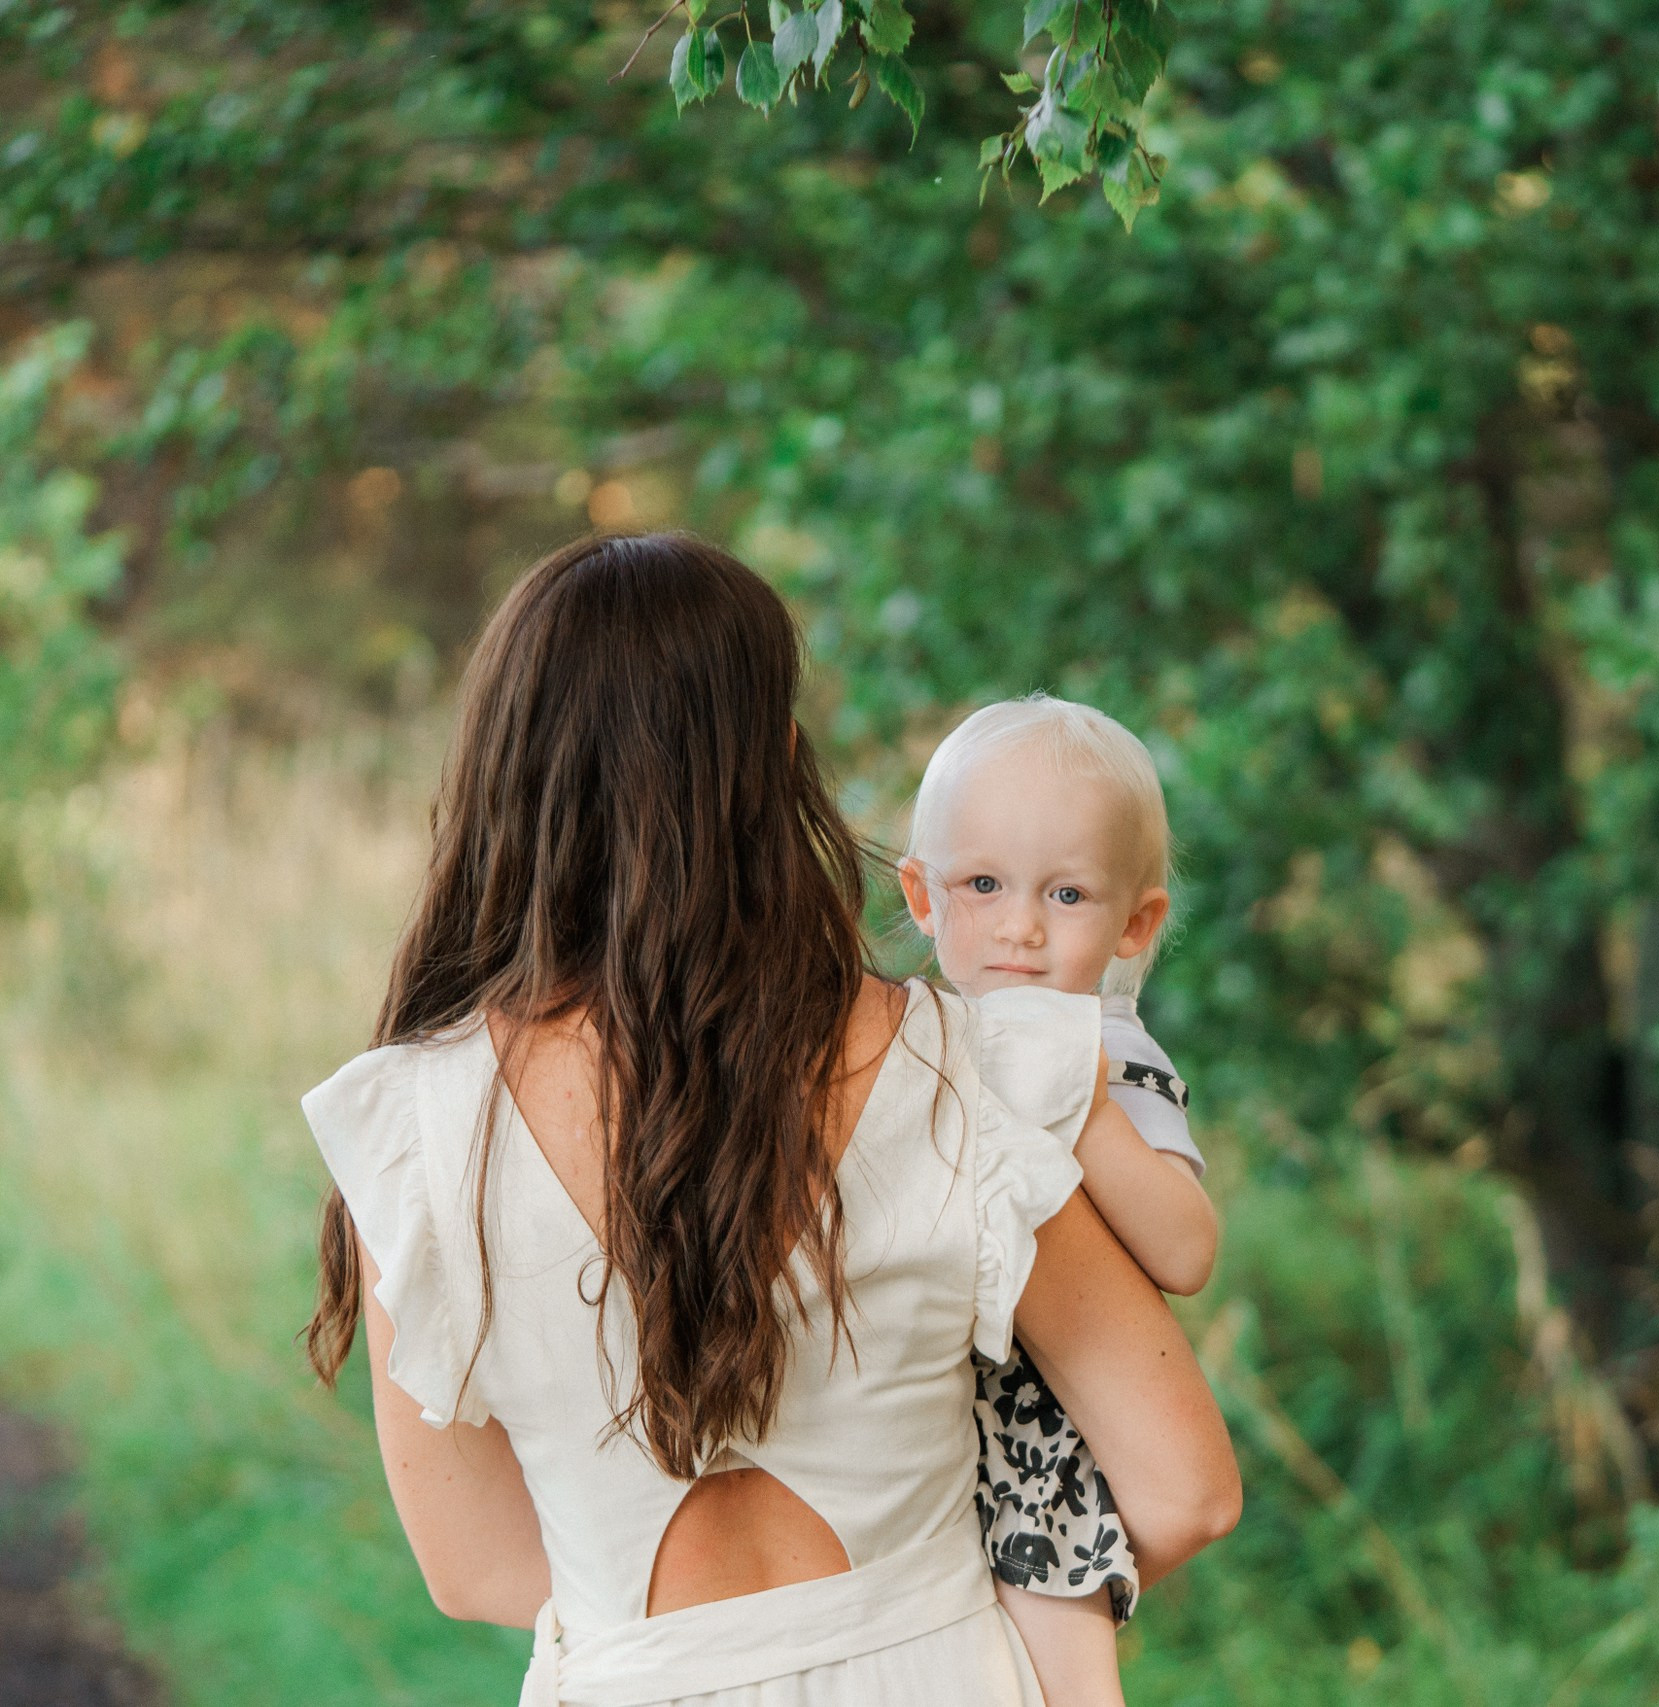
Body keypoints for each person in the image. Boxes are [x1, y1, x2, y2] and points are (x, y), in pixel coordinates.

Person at [296, 533, 1240, 1707]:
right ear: (777, 767)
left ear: (507, 779)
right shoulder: (961, 1068)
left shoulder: (414, 1125)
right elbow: (1186, 1491)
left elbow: (476, 1565)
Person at [897, 697, 1217, 1705]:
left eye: (1068, 894)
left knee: (1062, 1680)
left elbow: (1186, 1250)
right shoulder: (914, 1036)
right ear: (922, 896)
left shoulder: (1108, 1054)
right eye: (984, 884)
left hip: (1044, 1437)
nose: (1022, 927)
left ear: (1136, 922)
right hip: (931, 1431)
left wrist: (1083, 1115)